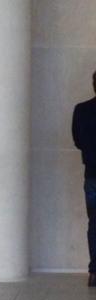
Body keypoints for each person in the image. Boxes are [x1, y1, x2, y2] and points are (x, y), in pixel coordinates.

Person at [71, 69, 96, 288]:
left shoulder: (81, 110)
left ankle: (94, 272)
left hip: (92, 174)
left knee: (94, 223)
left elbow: (77, 141)